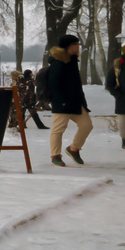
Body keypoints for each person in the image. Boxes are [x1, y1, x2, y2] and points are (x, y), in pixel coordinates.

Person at [46, 34, 92, 166]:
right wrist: (61, 100)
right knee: (58, 129)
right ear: (68, 46)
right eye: (76, 44)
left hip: (76, 102)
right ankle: (55, 155)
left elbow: (76, 84)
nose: (78, 47)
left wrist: (82, 100)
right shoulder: (58, 62)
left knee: (87, 125)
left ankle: (73, 149)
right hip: (62, 102)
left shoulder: (72, 60)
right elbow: (53, 84)